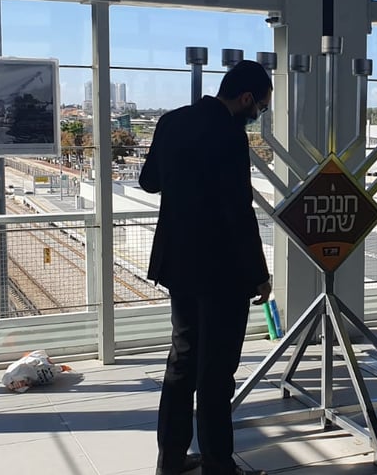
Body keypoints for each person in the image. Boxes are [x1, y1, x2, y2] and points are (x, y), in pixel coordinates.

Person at [140, 60, 274, 475]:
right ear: (246, 97)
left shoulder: (171, 122)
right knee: (216, 372)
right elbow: (238, 211)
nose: (258, 116)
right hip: (223, 270)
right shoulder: (231, 137)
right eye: (261, 108)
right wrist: (259, 273)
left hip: (178, 262)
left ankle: (171, 459)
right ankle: (218, 463)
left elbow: (148, 183)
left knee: (181, 360)